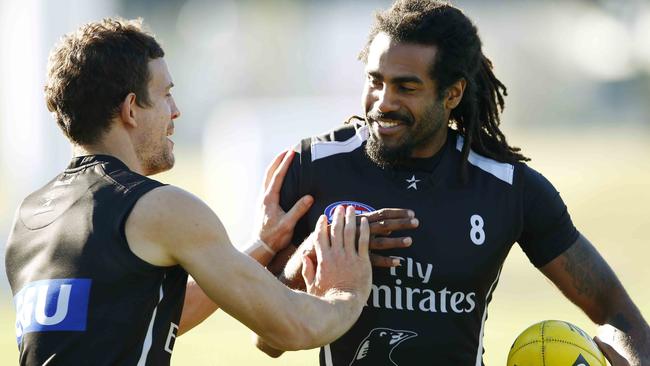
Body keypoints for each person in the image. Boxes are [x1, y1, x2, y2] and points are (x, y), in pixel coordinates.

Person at [255, 1, 650, 365]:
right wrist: (314, 254)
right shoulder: (314, 167)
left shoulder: (508, 189)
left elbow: (620, 314)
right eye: (375, 81)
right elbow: (269, 340)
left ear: (452, 93)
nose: (383, 102)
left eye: (406, 88)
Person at [4, 17, 381, 366]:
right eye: (166, 94)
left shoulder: (31, 217)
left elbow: (149, 317)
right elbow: (292, 326)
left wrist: (262, 246)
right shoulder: (159, 207)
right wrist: (347, 291)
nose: (176, 111)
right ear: (131, 109)